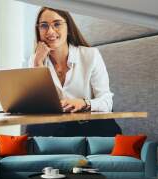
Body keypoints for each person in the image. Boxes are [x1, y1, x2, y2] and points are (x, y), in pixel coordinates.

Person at [25, 7, 121, 137]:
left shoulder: (90, 55)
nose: (50, 31)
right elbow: (37, 107)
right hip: (54, 131)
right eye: (44, 26)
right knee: (34, 129)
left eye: (57, 24)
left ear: (68, 27)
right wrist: (38, 64)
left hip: (89, 128)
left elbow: (107, 102)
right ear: (38, 30)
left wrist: (84, 103)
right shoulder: (35, 59)